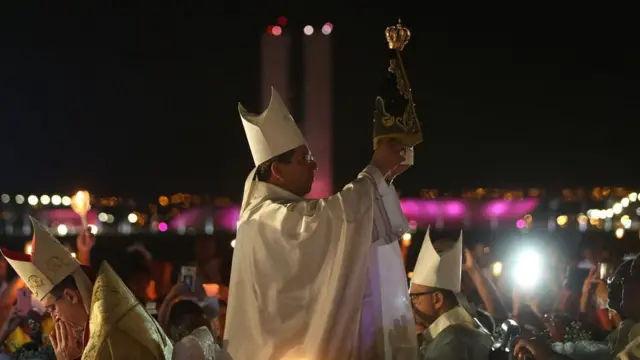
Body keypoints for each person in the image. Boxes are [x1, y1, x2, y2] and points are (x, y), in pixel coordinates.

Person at [224, 87, 417, 359]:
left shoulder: (271, 213)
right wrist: (375, 172)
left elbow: (335, 224)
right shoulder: (265, 217)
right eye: (305, 159)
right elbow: (329, 221)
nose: (314, 166)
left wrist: (383, 177)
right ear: (277, 171)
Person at [0, 217, 172, 360]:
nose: (54, 317)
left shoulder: (110, 337)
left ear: (71, 296)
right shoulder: (91, 327)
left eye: (53, 309)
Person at [408, 228, 492, 359]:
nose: (411, 307)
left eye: (415, 298)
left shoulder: (449, 342)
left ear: (437, 299)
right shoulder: (476, 323)